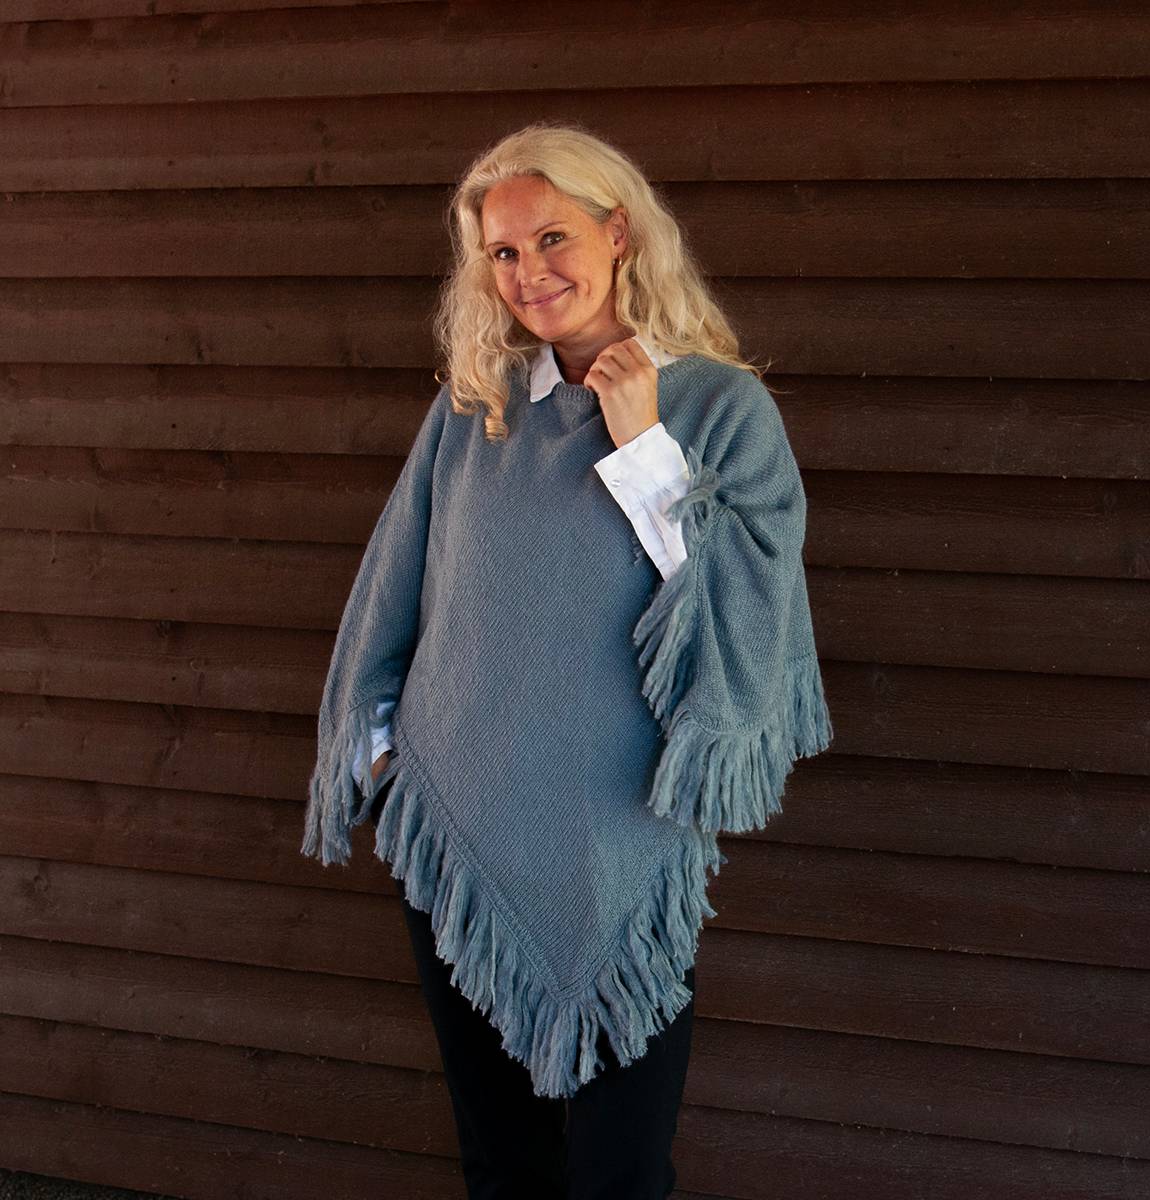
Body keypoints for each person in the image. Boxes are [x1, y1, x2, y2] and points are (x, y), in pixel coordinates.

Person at [301, 121, 834, 1200]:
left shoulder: (721, 408)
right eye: (502, 252)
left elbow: (744, 612)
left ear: (618, 231)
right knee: (501, 1162)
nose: (529, 272)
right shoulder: (477, 405)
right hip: (459, 836)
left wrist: (643, 444)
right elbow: (396, 582)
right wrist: (386, 763)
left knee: (618, 1172)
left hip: (617, 836)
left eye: (553, 238)